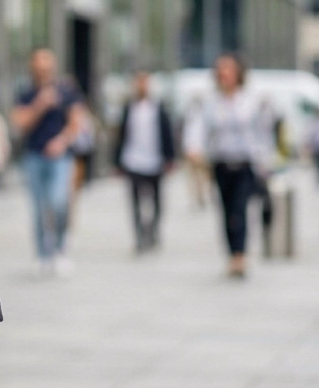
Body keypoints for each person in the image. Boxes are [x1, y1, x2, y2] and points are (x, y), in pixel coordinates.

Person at [183, 53, 274, 279]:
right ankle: (232, 253)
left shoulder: (250, 100)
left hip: (245, 163)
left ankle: (240, 256)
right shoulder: (210, 101)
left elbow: (262, 132)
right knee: (225, 210)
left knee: (240, 208)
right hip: (221, 163)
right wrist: (194, 148)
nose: (225, 75)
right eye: (221, 70)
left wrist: (266, 161)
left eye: (229, 70)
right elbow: (198, 128)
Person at [11, 48, 86, 277]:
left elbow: (77, 121)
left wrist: (62, 141)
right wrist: (40, 105)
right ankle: (43, 254)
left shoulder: (66, 91)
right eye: (38, 62)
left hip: (60, 158)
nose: (43, 67)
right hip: (34, 157)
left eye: (47, 62)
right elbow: (20, 124)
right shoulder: (26, 93)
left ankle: (61, 248)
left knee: (59, 201)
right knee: (38, 207)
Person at [113, 70, 175, 253]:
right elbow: (121, 135)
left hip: (155, 160)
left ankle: (153, 230)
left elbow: (166, 133)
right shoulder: (129, 108)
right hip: (133, 160)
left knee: (156, 200)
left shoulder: (158, 107)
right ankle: (139, 235)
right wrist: (117, 162)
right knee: (135, 201)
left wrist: (170, 158)